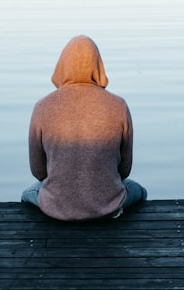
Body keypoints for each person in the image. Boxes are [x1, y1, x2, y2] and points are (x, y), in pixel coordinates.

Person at [22, 35, 146, 221]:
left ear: (62, 64)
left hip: (57, 207)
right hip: (108, 204)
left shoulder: (42, 107)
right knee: (139, 190)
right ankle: (113, 212)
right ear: (98, 65)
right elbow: (125, 170)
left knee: (28, 193)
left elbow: (38, 171)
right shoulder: (119, 105)